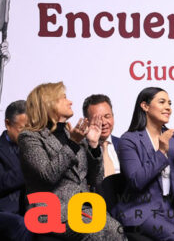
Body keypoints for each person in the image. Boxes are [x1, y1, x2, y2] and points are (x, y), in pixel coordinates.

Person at [18, 82, 124, 240]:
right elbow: (48, 176)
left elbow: (96, 179)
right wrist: (73, 144)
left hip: (84, 208)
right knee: (95, 233)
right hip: (49, 211)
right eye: (64, 98)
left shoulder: (73, 134)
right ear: (49, 103)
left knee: (117, 231)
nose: (70, 102)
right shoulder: (30, 137)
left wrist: (94, 146)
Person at [115, 87, 174, 241]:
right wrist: (161, 152)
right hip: (141, 210)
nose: (168, 108)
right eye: (162, 102)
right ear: (145, 106)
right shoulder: (129, 140)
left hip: (169, 208)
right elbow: (136, 182)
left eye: (169, 103)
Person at [0, 100, 31, 241]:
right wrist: (28, 169)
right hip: (5, 213)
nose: (27, 135)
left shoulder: (34, 147)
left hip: (33, 210)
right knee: (22, 225)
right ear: (8, 124)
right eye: (23, 129)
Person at [82, 94, 119, 177]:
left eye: (107, 116)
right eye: (97, 119)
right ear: (87, 121)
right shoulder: (79, 148)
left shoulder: (126, 144)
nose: (104, 123)